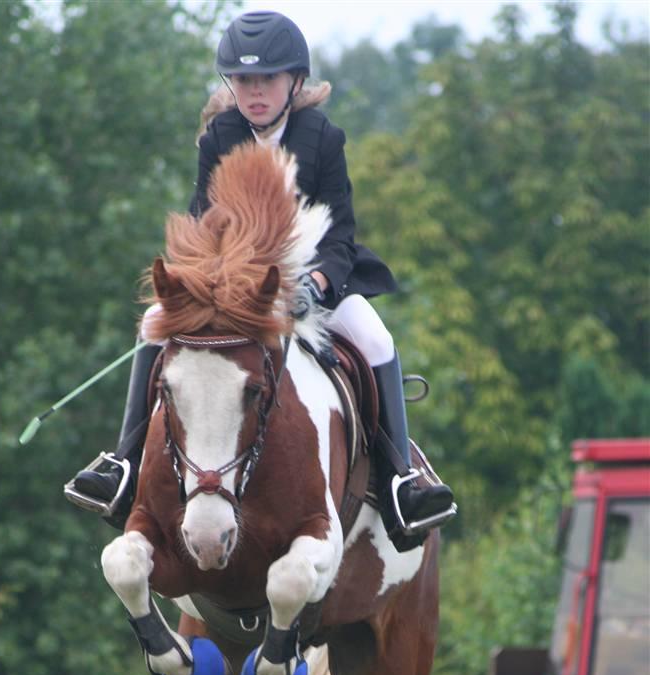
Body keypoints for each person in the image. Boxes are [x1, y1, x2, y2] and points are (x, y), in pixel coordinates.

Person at [65, 10, 455, 549]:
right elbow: (204, 224)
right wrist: (210, 284)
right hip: (236, 291)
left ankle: (398, 484)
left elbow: (340, 236)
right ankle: (123, 464)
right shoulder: (219, 137)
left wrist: (316, 284)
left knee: (377, 339)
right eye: (243, 80)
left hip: (310, 287)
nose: (253, 92)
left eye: (266, 79)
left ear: (294, 81)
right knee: (154, 321)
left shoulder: (322, 138)